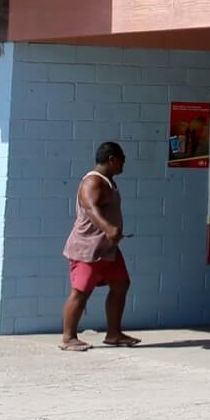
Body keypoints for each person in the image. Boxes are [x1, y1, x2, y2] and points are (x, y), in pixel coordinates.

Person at [60, 141, 135, 351]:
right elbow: (91, 209)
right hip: (88, 249)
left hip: (107, 249)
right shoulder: (92, 182)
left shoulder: (108, 181)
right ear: (112, 159)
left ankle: (114, 334)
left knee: (121, 284)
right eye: (122, 160)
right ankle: (68, 338)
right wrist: (110, 228)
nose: (124, 165)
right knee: (81, 292)